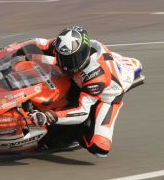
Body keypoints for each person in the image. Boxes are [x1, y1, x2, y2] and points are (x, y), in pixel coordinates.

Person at [24, 26, 142, 157]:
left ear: (83, 54)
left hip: (107, 96)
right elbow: (39, 43)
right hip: (80, 77)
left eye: (72, 60)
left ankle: (72, 136)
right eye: (63, 58)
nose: (66, 64)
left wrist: (50, 117)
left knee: (99, 148)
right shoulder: (64, 45)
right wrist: (8, 50)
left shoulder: (96, 75)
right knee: (31, 56)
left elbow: (82, 112)